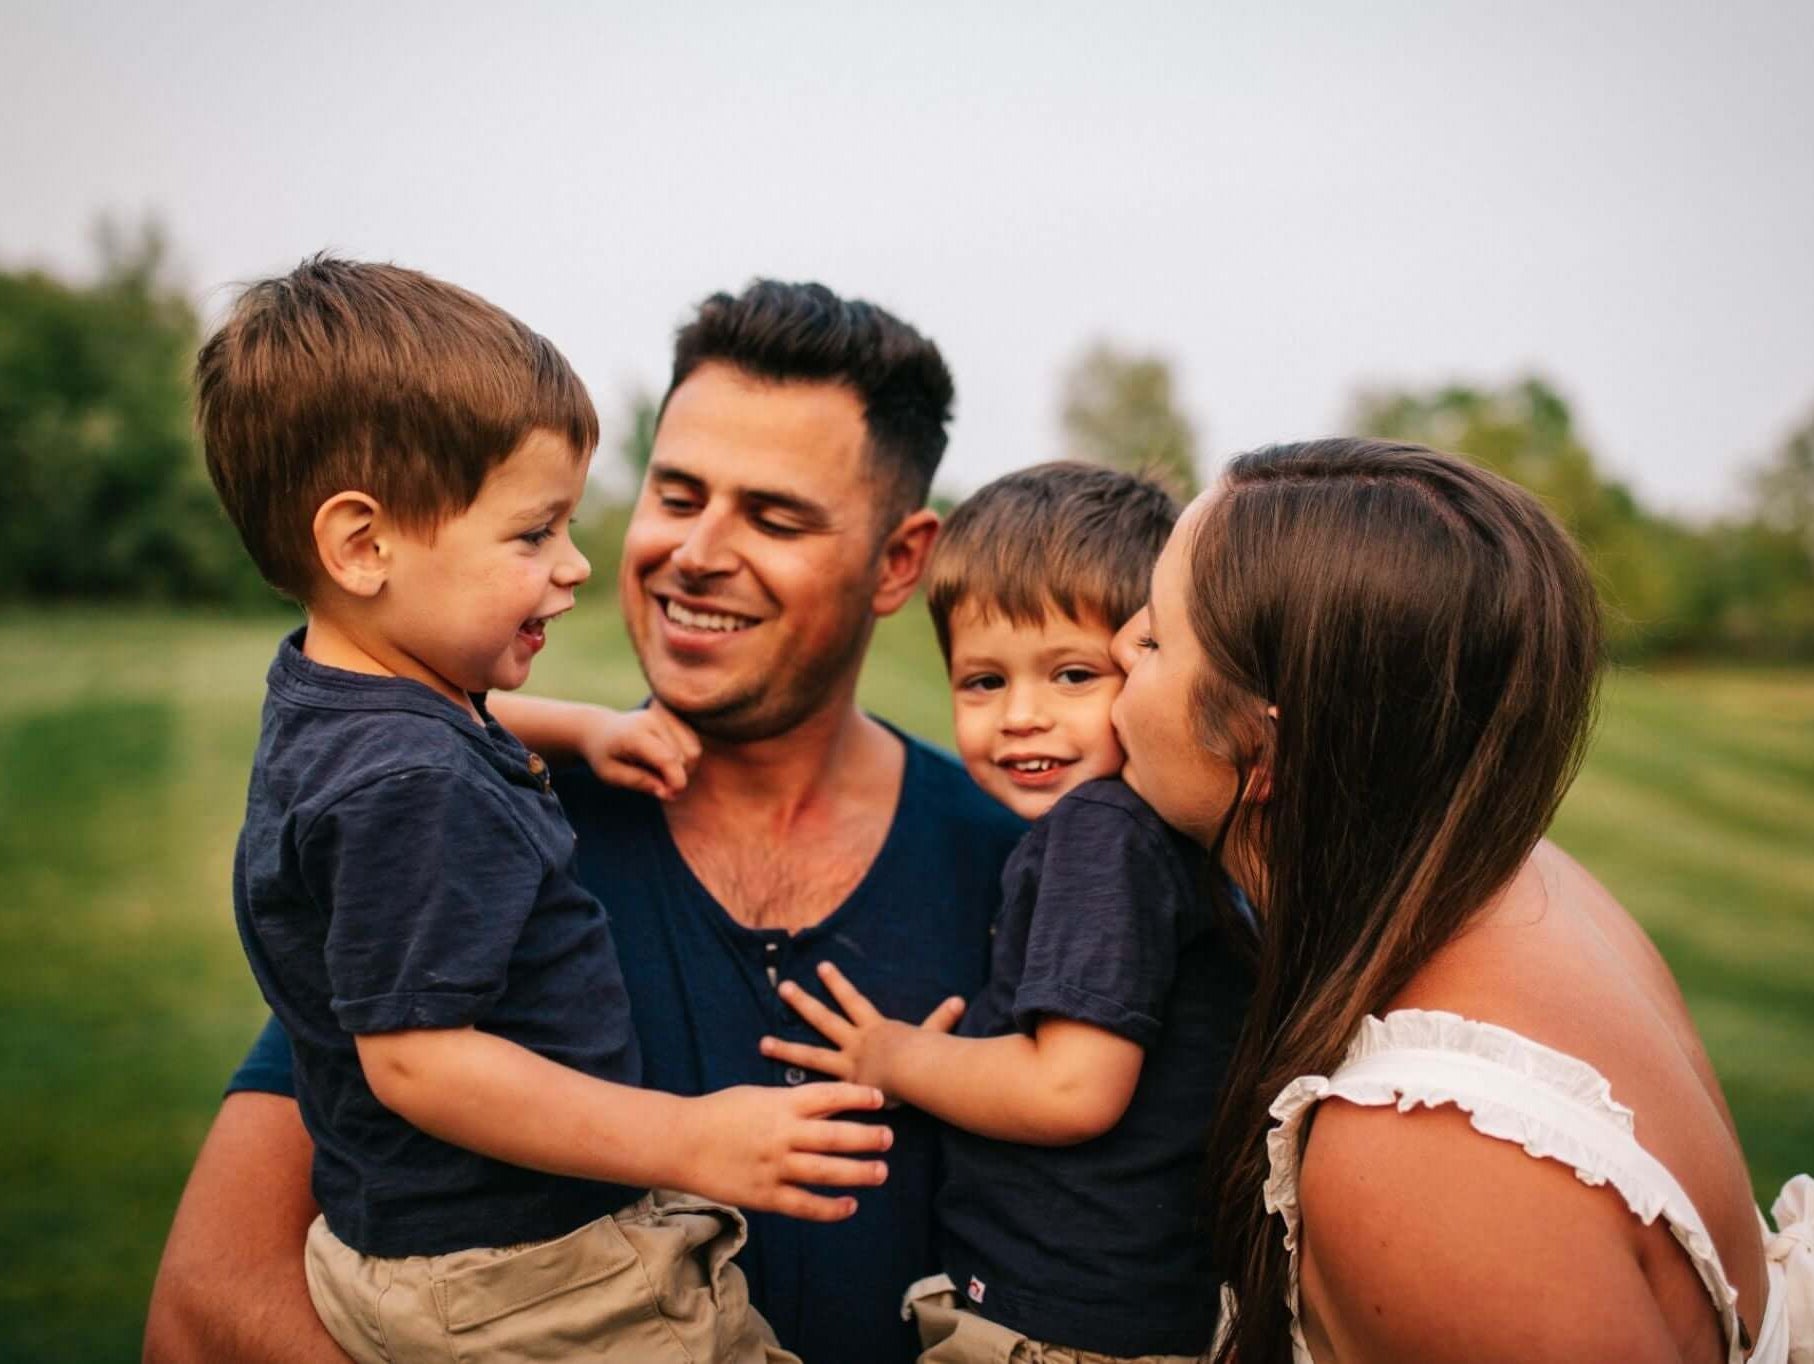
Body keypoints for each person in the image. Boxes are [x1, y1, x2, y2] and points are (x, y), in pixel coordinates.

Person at [144, 279, 1028, 1364]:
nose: (697, 551)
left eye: (774, 516)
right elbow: (203, 1307)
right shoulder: (468, 818)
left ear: (898, 562)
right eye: (676, 494)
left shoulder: (1019, 871)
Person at [1104, 437, 1813, 1364]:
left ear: (1262, 745)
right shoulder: (1524, 873)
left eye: (1155, 637)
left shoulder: (1421, 1153)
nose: (1115, 643)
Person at [761, 462, 1254, 1362]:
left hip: (1064, 1328)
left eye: (1073, 674)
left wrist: (897, 1057)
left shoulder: (1102, 833)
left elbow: (1071, 1091)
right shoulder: (1157, 831)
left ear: (1150, 663)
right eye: (984, 682)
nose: (1023, 716)